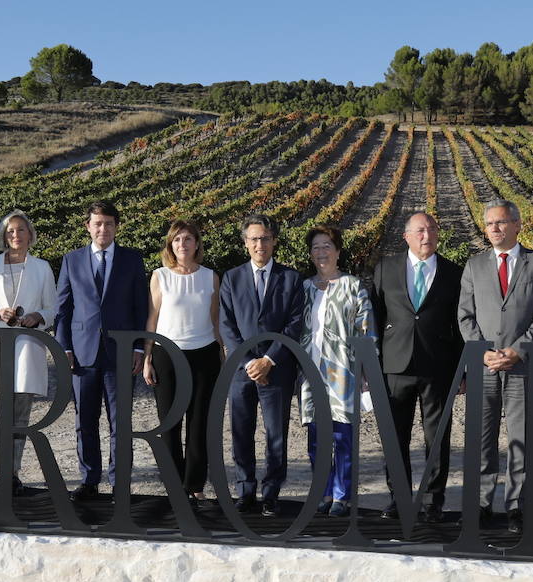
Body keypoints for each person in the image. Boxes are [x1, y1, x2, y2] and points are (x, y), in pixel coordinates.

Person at [457, 199, 533, 532]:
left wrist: (517, 350)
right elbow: (465, 315)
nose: (494, 229)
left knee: (522, 440)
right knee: (482, 440)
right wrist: (482, 351)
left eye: (500, 223)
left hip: (522, 366)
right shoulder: (473, 266)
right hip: (484, 366)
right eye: (489, 224)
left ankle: (517, 507)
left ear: (517, 225)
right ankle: (482, 503)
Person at [369, 211, 463, 522]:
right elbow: (375, 317)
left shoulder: (454, 272)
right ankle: (398, 498)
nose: (427, 236)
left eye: (432, 230)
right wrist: (373, 365)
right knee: (394, 437)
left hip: (438, 367)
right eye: (420, 231)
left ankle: (433, 500)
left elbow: (460, 325)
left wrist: (461, 370)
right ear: (406, 236)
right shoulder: (386, 269)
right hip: (395, 366)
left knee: (437, 438)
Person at [55, 201, 149, 501]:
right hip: (82, 355)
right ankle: (89, 480)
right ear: (88, 226)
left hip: (121, 353)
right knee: (85, 422)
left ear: (116, 226)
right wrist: (64, 347)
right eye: (97, 223)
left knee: (120, 424)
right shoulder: (71, 260)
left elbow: (139, 306)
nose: (103, 229)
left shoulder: (132, 259)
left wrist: (138, 347)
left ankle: (119, 483)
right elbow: (63, 309)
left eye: (108, 223)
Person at [218, 214, 304, 515]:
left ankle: (270, 492)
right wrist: (249, 362)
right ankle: (245, 490)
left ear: (274, 241)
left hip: (277, 369)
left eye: (265, 238)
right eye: (253, 239)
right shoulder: (231, 278)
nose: (260, 244)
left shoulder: (291, 279)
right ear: (245, 243)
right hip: (241, 371)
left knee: (275, 435)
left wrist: (268, 360)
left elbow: (294, 325)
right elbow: (227, 326)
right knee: (241, 431)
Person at [0, 210, 57, 496]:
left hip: (27, 344)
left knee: (20, 412)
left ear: (30, 234)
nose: (15, 235)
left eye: (20, 230)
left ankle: (13, 473)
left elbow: (52, 308)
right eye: (10, 231)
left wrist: (37, 316)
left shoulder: (42, 267)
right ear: (3, 236)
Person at [142, 220, 223, 504]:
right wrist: (147, 357)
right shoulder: (160, 276)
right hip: (167, 356)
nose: (182, 245)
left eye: (188, 239)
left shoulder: (211, 277)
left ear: (197, 243)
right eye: (177, 240)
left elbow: (215, 321)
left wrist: (222, 354)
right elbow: (151, 320)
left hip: (204, 354)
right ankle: (175, 486)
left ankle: (195, 484)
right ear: (170, 245)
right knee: (169, 424)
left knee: (199, 424)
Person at [298, 225, 375, 517]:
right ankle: (323, 491)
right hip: (310, 372)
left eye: (327, 245)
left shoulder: (353, 286)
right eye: (316, 247)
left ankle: (342, 496)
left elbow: (366, 331)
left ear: (338, 250)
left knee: (343, 436)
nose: (321, 252)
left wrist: (367, 370)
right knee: (316, 436)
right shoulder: (304, 288)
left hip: (344, 371)